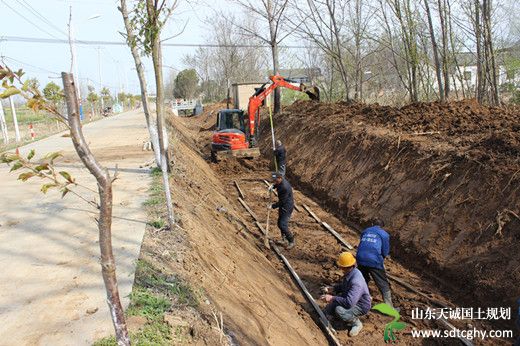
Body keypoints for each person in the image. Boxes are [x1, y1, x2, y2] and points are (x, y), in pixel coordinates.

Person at [321, 252, 371, 337]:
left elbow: (349, 303)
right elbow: (344, 286)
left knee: (339, 310)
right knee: (328, 310)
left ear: (343, 267)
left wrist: (332, 298)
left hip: (360, 305)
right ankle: (336, 314)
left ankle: (356, 323)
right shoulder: (351, 272)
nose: (339, 267)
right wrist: (334, 289)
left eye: (340, 266)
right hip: (350, 298)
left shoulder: (356, 282)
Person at [356, 218, 394, 308]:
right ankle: (389, 307)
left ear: (372, 224)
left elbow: (363, 244)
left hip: (360, 257)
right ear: (382, 227)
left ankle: (358, 299)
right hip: (374, 260)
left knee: (362, 279)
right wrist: (381, 259)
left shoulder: (365, 231)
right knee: (383, 283)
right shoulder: (384, 234)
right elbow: (385, 251)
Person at [269, 172, 295, 249]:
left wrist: (272, 206)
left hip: (286, 207)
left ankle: (291, 240)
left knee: (282, 224)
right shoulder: (280, 182)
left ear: (280, 178)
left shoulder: (284, 187)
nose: (275, 182)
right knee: (279, 223)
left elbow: (282, 201)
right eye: (274, 180)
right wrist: (273, 186)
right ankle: (284, 239)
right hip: (283, 205)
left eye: (276, 181)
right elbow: (277, 184)